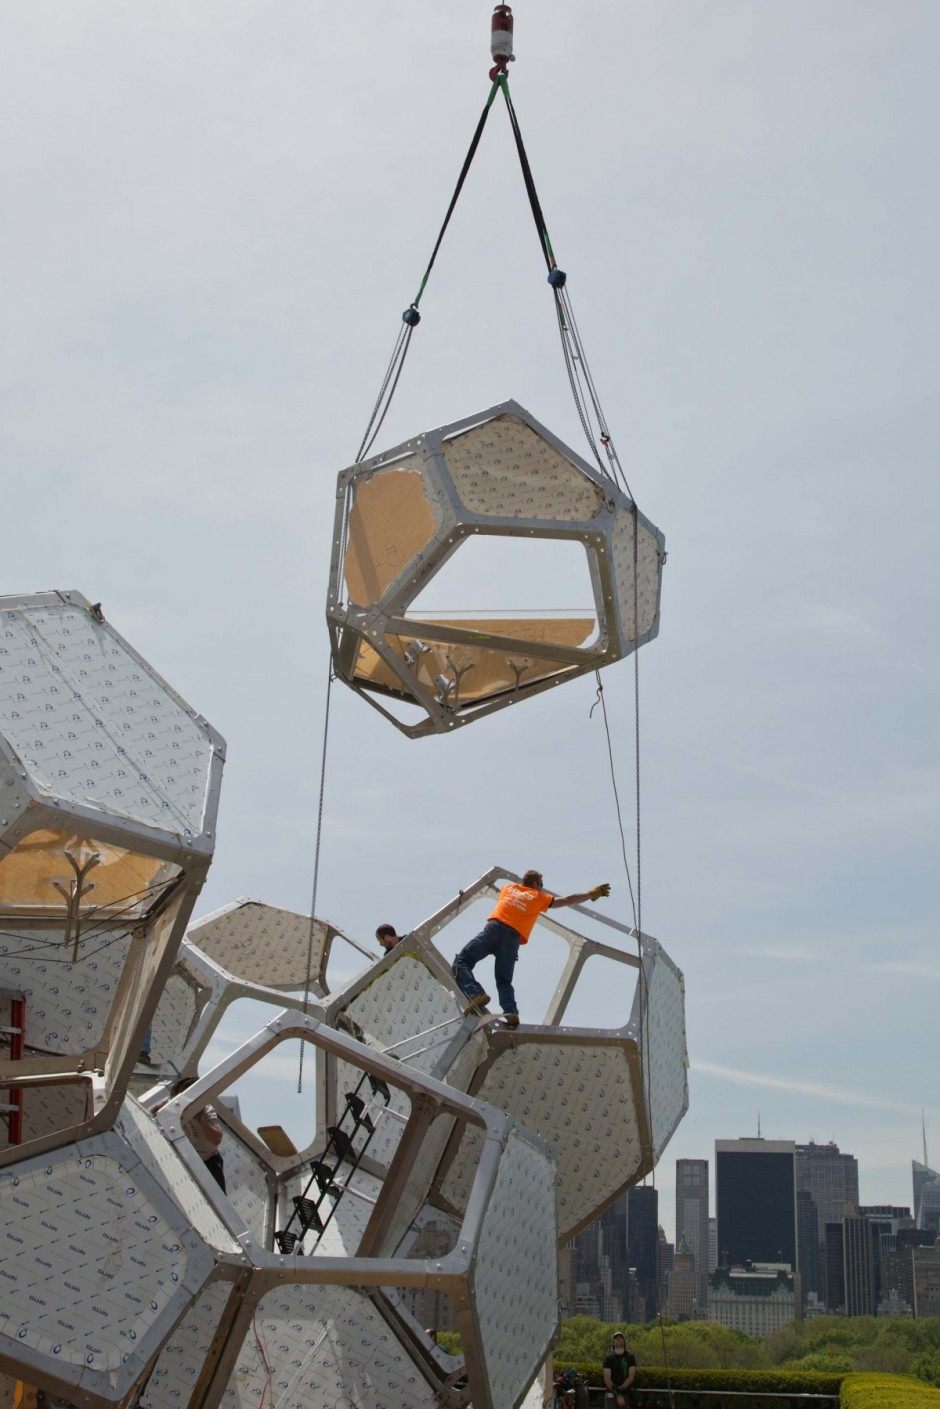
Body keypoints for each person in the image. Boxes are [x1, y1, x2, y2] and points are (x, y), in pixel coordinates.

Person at [453, 870, 610, 1026]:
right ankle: (511, 1012)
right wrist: (591, 894)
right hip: (512, 938)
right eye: (541, 885)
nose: (542, 888)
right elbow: (568, 900)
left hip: (495, 928)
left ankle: (476, 994)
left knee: (462, 961)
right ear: (535, 884)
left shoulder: (509, 888)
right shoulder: (538, 897)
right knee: (504, 980)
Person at [173, 1078, 226, 1192]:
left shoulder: (207, 1110)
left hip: (208, 1161)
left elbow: (216, 1139)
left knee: (217, 1197)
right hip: (184, 1162)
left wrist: (200, 1119)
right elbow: (155, 1110)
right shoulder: (172, 1107)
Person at [603, 1332, 637, 1407]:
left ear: (624, 1341)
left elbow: (631, 1377)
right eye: (616, 1338)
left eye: (620, 1338)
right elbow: (607, 1379)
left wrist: (620, 1390)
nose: (618, 1339)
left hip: (625, 1394)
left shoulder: (630, 1357)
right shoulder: (608, 1358)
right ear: (613, 1342)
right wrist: (617, 1395)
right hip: (611, 1395)